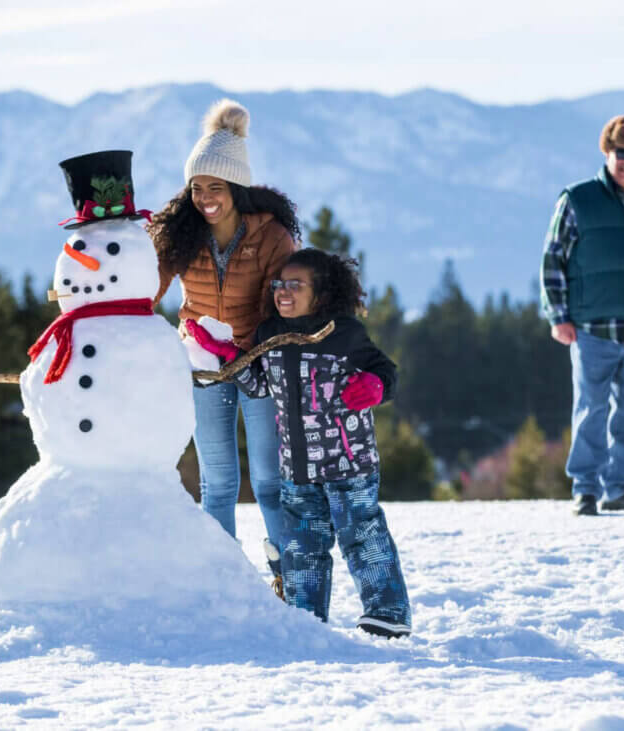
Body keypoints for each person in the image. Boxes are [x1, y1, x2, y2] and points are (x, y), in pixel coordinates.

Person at [185, 248, 412, 638]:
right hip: (297, 469)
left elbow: (384, 370)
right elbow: (259, 386)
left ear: (320, 293)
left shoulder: (344, 333)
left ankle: (387, 611)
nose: (283, 292)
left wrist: (374, 386)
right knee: (302, 546)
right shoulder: (270, 335)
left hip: (349, 464)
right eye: (279, 285)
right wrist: (229, 358)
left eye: (295, 285)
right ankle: (304, 618)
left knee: (361, 535)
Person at [148, 99, 298, 583]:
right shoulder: (181, 235)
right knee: (217, 482)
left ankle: (289, 576)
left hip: (258, 364)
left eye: (215, 186)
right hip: (202, 365)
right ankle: (225, 578)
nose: (205, 197)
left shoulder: (272, 235)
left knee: (270, 482)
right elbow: (146, 289)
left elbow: (287, 299)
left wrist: (262, 350)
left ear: (236, 186)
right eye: (197, 187)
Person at [540, 112, 624, 516]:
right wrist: (557, 315)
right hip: (590, 326)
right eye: (621, 151)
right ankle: (584, 489)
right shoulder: (577, 198)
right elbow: (552, 259)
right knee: (590, 411)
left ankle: (618, 488)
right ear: (608, 151)